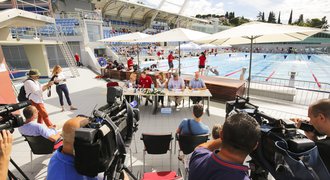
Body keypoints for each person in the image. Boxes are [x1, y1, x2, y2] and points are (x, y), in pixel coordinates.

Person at [189, 112, 261, 180]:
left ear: (221, 135)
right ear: (255, 146)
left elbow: (202, 147)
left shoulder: (198, 156)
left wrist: (227, 136)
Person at [291, 99, 330, 172]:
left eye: (310, 118)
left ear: (321, 117)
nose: (310, 122)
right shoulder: (323, 146)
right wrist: (313, 138)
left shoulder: (324, 147)